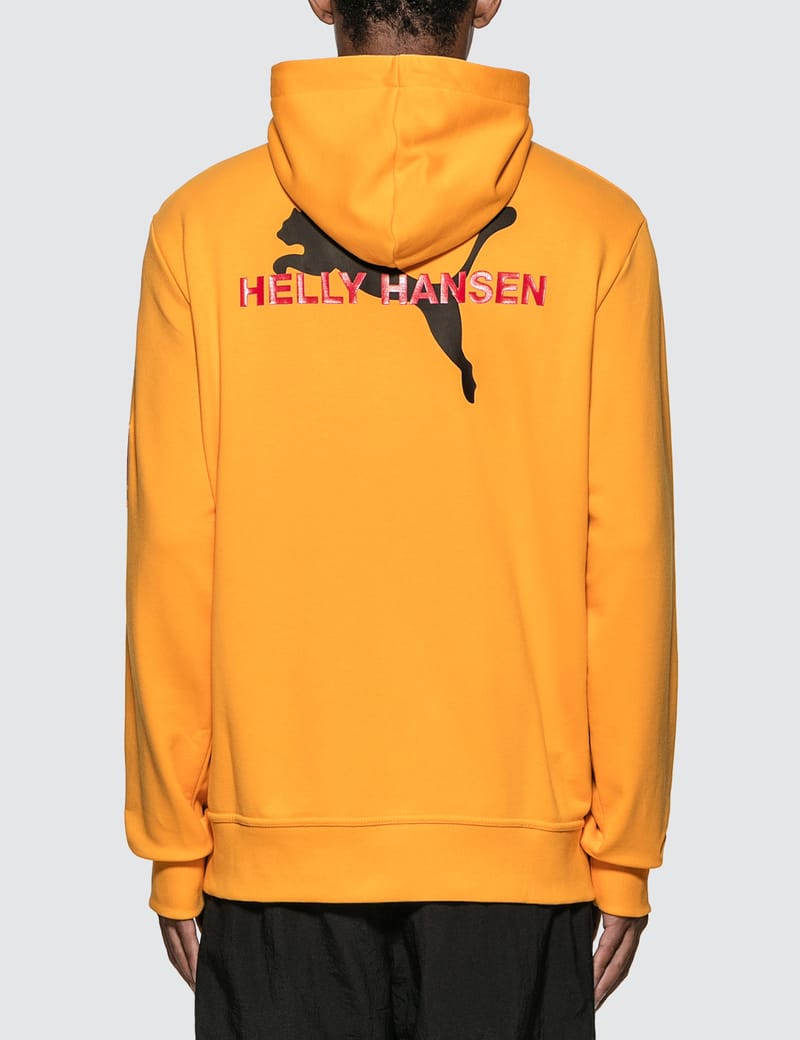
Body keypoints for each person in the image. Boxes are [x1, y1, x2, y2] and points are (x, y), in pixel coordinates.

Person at [124, 1, 678, 1036]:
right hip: (517, 861)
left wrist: (175, 844)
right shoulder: (598, 231)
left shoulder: (198, 231)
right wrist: (624, 849)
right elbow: (629, 551)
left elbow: (172, 551)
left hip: (274, 855)